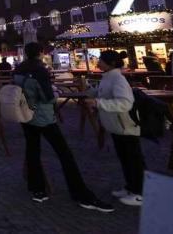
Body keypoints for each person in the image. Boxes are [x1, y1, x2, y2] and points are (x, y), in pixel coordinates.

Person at [14, 43, 113, 212]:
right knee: (64, 154)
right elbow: (46, 97)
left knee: (33, 150)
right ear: (40, 52)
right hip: (43, 117)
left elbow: (19, 90)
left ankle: (38, 189)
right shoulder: (40, 69)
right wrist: (56, 94)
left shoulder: (19, 69)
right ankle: (80, 193)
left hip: (25, 115)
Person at [91, 50, 145, 206]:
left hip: (125, 126)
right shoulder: (108, 77)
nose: (98, 62)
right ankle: (130, 187)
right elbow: (104, 93)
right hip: (116, 126)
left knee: (134, 160)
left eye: (101, 60)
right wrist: (92, 92)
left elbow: (125, 103)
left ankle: (140, 192)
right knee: (125, 158)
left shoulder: (118, 79)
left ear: (111, 63)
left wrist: (99, 103)